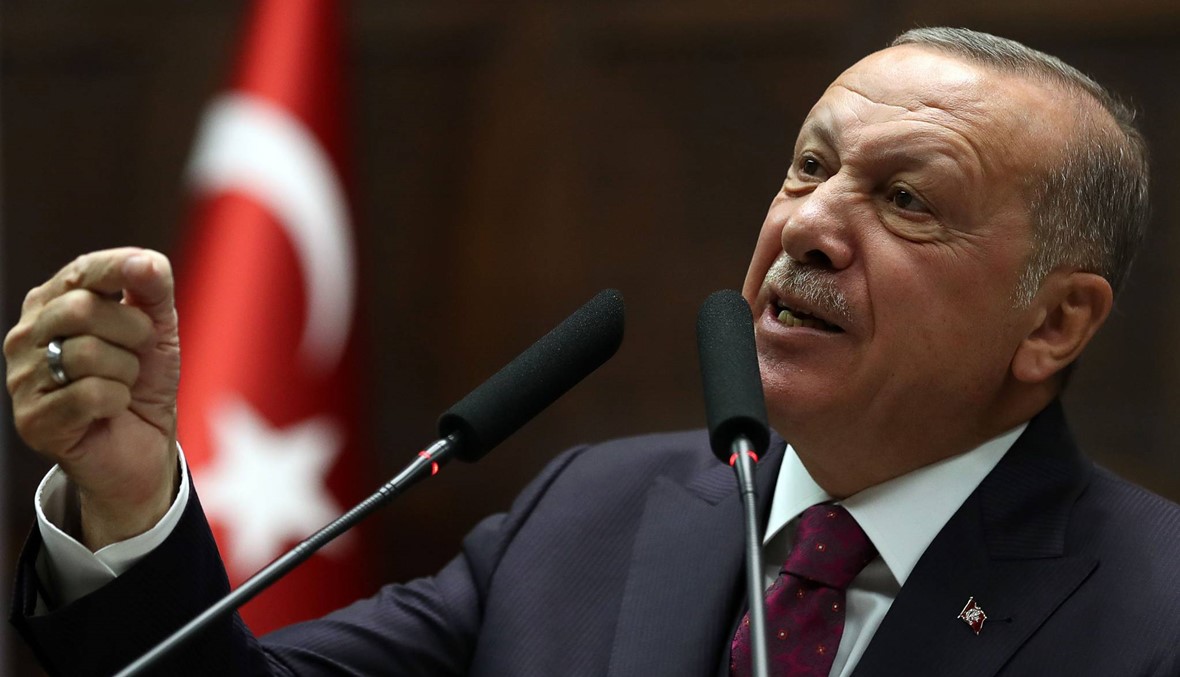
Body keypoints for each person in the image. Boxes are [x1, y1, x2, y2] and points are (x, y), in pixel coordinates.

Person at [7, 27, 1180, 677]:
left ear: (1054, 322)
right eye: (810, 167)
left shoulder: (1153, 608)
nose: (811, 224)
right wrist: (128, 490)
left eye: (907, 198)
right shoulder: (593, 512)